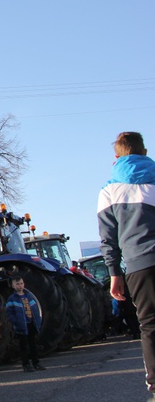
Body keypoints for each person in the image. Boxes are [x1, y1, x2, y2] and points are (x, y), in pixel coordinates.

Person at [98, 131, 155, 396]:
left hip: (139, 264)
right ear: (144, 152)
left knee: (150, 326)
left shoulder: (109, 190)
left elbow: (108, 238)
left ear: (116, 157)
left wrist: (114, 273)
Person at [5, 276, 46, 372]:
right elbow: (9, 313)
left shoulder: (29, 296)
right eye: (17, 284)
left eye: (21, 283)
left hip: (31, 323)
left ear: (24, 284)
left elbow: (35, 309)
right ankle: (26, 364)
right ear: (13, 286)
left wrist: (37, 320)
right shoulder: (12, 299)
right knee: (23, 346)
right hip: (21, 325)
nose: (20, 286)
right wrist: (15, 322)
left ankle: (36, 363)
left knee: (33, 344)